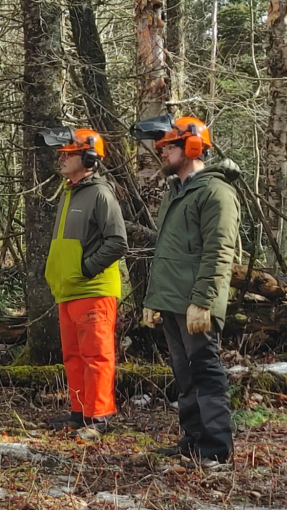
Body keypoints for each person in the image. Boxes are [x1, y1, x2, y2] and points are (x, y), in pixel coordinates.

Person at [135, 115, 240, 468]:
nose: (162, 152)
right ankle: (194, 439)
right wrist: (153, 300)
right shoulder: (176, 193)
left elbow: (220, 251)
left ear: (192, 147)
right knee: (185, 373)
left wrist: (204, 301)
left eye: (169, 146)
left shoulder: (216, 191)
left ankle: (215, 448)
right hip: (173, 300)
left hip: (197, 303)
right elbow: (166, 252)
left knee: (205, 370)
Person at [39, 127, 127, 441]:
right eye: (61, 152)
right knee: (74, 356)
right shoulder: (69, 191)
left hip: (93, 290)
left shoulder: (101, 193)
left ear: (88, 157)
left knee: (97, 355)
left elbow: (117, 242)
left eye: (68, 153)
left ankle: (99, 417)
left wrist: (85, 269)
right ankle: (80, 413)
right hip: (69, 290)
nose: (61, 157)